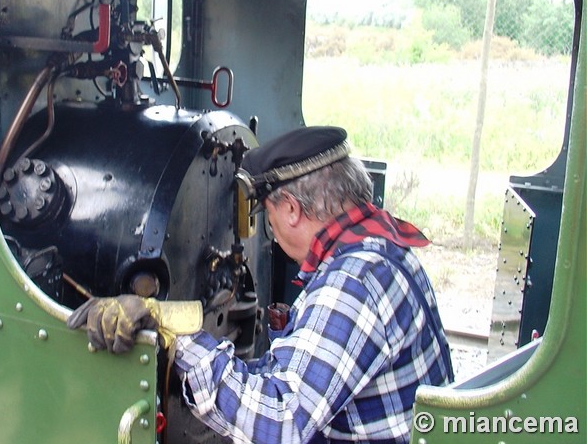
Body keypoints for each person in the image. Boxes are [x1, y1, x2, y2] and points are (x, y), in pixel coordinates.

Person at [68, 126, 453, 443]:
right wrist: (169, 317)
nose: (269, 230)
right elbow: (291, 376)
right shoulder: (382, 249)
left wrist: (177, 338)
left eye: (267, 214)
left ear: (291, 209)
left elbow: (279, 423)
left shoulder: (353, 285)